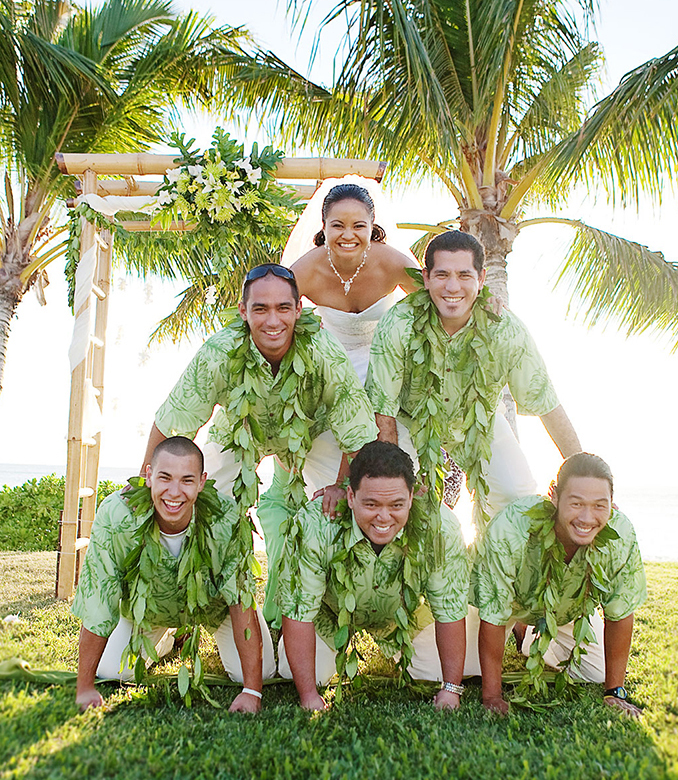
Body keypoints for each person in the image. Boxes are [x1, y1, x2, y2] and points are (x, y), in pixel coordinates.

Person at [142, 264, 378, 625]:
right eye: (260, 309)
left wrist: (340, 484)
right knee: (194, 506)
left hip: (312, 434)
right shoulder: (220, 351)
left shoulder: (323, 349)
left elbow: (356, 427)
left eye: (283, 308)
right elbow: (173, 421)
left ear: (298, 309)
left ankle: (337, 609)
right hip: (238, 432)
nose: (273, 320)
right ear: (243, 311)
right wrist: (146, 485)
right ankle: (179, 607)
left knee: (349, 504)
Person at [284, 180, 541, 511]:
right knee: (327, 432)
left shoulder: (391, 261)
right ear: (324, 227)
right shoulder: (305, 268)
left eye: (358, 225)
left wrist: (482, 300)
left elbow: (439, 293)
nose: (348, 234)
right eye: (338, 225)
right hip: (333, 364)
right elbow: (274, 309)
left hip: (387, 359)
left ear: (372, 227)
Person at [366, 229, 582, 524]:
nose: (452, 286)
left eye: (464, 275)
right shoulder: (399, 324)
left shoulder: (505, 329)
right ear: (426, 278)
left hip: (481, 421)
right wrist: (396, 477)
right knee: (409, 506)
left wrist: (583, 475)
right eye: (442, 275)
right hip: (410, 422)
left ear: (481, 279)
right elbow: (383, 410)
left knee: (518, 501)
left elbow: (545, 403)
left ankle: (490, 552)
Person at [72, 437, 276, 713]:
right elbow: (99, 598)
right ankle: (168, 640)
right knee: (112, 671)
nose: (175, 492)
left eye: (187, 480)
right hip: (148, 610)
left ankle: (205, 638)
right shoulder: (116, 515)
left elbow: (240, 600)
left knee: (262, 673)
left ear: (202, 482)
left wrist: (252, 691)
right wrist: (84, 687)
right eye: (165, 478)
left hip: (213, 609)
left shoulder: (227, 518)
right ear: (148, 475)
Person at [277, 440, 472, 711]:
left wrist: (451, 690)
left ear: (412, 496)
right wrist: (309, 696)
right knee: (296, 672)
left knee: (434, 675)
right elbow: (299, 610)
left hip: (404, 618)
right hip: (331, 617)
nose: (383, 517)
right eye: (371, 504)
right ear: (350, 496)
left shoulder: (441, 527)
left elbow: (449, 608)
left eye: (396, 504)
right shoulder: (314, 523)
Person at [472, 452, 647, 717]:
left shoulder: (620, 534)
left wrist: (614, 692)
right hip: (507, 605)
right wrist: (492, 696)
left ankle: (529, 637)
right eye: (576, 503)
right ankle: (520, 625)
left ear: (612, 502)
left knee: (595, 672)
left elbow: (620, 611)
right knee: (466, 670)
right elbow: (493, 611)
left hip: (566, 609)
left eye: (599, 505)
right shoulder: (510, 527)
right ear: (553, 496)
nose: (587, 517)